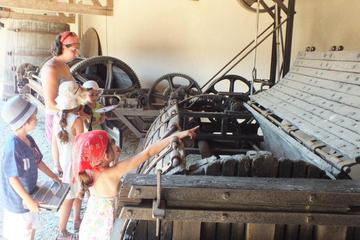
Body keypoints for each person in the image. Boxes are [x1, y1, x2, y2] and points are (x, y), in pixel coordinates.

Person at [74, 127, 198, 240]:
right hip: (107, 228)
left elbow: (106, 169)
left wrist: (114, 158)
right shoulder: (114, 172)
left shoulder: (89, 171)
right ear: (105, 156)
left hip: (91, 225)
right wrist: (178, 135)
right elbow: (148, 153)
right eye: (112, 142)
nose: (116, 144)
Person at [0, 95, 60, 240]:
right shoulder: (13, 147)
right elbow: (12, 179)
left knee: (32, 227)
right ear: (24, 122)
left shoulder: (29, 140)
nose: (37, 119)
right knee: (21, 232)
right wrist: (28, 200)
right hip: (18, 202)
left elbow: (38, 161)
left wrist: (53, 175)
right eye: (34, 117)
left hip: (30, 194)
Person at [52, 81, 84, 239]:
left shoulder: (56, 116)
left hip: (64, 164)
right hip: (75, 164)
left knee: (73, 194)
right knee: (71, 197)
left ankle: (76, 220)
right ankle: (62, 231)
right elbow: (81, 147)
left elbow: (53, 144)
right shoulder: (77, 120)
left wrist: (57, 163)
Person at [40, 31, 81, 142]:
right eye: (73, 50)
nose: (77, 54)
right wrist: (77, 109)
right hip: (58, 121)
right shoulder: (51, 69)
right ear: (62, 47)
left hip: (70, 118)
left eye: (78, 49)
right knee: (63, 157)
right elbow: (52, 104)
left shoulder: (64, 65)